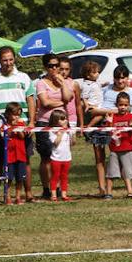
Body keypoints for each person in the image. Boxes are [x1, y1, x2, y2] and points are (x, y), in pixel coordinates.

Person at [0, 46, 36, 204]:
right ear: (0, 61)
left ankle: (28, 194)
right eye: (5, 60)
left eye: (11, 59)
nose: (8, 63)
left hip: (21, 128)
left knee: (25, 160)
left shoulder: (24, 78)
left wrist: (31, 122)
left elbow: (31, 100)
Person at [34, 54, 75, 199]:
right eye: (51, 66)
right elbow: (45, 103)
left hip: (61, 124)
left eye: (57, 65)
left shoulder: (64, 81)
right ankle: (47, 188)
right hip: (45, 123)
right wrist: (61, 103)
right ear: (45, 67)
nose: (55, 68)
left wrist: (63, 83)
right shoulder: (41, 83)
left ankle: (57, 188)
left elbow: (68, 97)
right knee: (46, 158)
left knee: (60, 157)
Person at [77, 60, 110, 197]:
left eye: (98, 72)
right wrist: (87, 106)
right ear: (88, 75)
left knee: (103, 115)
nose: (98, 74)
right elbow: (83, 97)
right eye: (95, 72)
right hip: (93, 107)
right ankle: (88, 127)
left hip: (99, 107)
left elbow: (103, 83)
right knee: (102, 115)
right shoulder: (85, 85)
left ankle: (106, 186)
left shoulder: (96, 82)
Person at [104, 91, 132, 199]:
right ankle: (108, 193)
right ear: (116, 105)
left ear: (129, 105)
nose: (123, 107)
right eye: (121, 105)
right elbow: (109, 131)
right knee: (111, 172)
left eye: (125, 105)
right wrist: (109, 122)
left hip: (128, 149)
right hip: (114, 149)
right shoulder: (113, 117)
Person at [3, 102, 31, 204]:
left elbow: (22, 136)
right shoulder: (5, 124)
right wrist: (11, 128)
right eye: (14, 114)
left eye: (18, 114)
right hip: (9, 155)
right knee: (9, 178)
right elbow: (5, 136)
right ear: (8, 114)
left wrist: (18, 128)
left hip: (20, 154)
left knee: (20, 178)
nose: (16, 117)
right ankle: (8, 196)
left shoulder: (21, 123)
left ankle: (18, 196)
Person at [48, 109, 74, 201]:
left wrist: (71, 134)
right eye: (62, 119)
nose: (65, 120)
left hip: (66, 158)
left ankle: (64, 194)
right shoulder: (52, 131)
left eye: (66, 118)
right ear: (56, 120)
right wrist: (61, 133)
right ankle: (54, 194)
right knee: (55, 176)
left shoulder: (68, 131)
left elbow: (73, 143)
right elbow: (55, 143)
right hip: (56, 158)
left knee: (64, 176)